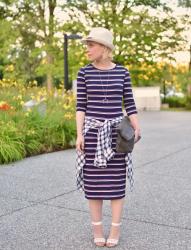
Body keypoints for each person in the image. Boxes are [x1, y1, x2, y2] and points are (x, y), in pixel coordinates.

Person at [75, 27, 141, 247]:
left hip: (116, 136)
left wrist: (136, 127)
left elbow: (129, 103)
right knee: (93, 186)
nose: (87, 49)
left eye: (91, 45)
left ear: (104, 47)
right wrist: (79, 134)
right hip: (92, 135)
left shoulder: (122, 72)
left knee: (116, 185)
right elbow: (81, 107)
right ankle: (97, 231)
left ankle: (114, 230)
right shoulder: (84, 73)